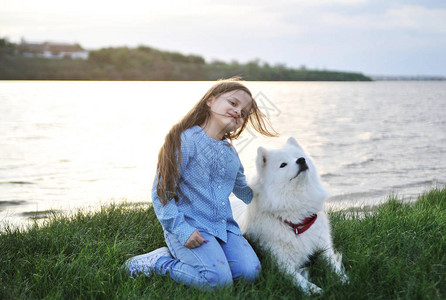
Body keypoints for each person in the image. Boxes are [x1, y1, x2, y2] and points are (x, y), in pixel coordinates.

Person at [123, 78, 278, 290]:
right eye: (233, 103)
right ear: (210, 101)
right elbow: (161, 193)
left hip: (224, 228)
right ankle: (159, 262)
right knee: (218, 282)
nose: (238, 112)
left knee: (249, 273)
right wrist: (182, 230)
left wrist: (277, 195)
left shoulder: (230, 153)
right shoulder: (183, 140)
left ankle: (206, 255)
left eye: (244, 113)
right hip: (189, 225)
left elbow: (243, 190)